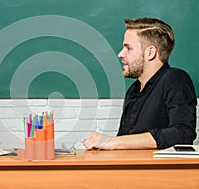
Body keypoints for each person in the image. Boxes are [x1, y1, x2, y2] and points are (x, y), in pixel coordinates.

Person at [83, 17, 197, 150]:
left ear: (150, 52)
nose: (120, 54)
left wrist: (113, 142)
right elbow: (124, 140)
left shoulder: (175, 79)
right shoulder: (134, 90)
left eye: (128, 48)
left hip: (158, 170)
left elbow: (182, 134)